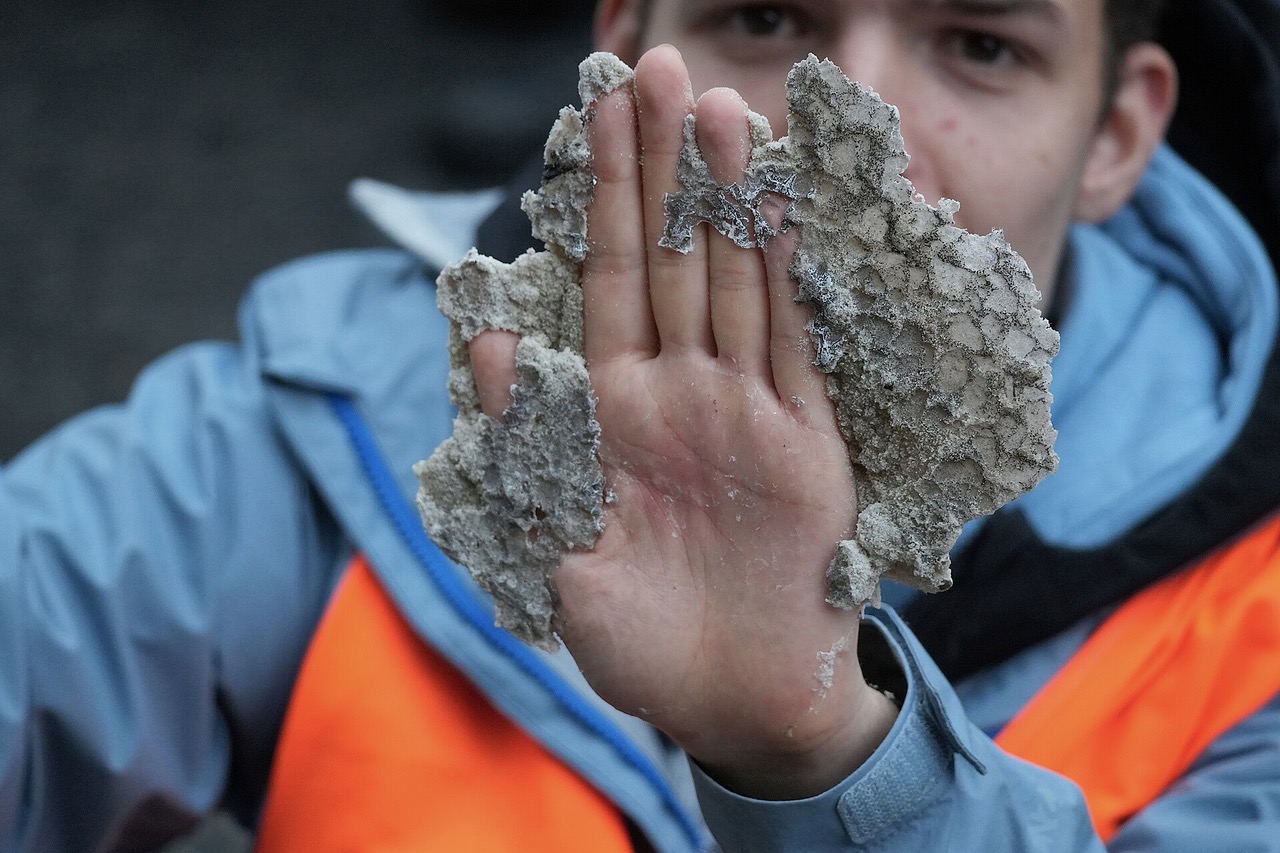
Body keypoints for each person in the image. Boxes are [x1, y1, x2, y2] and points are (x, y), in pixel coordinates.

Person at [2, 0, 1279, 849]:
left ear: (1115, 132)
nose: (855, 121)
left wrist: (827, 751)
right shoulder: (333, 424)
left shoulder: (1255, 618)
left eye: (981, 45)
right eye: (766, 15)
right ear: (616, 32)